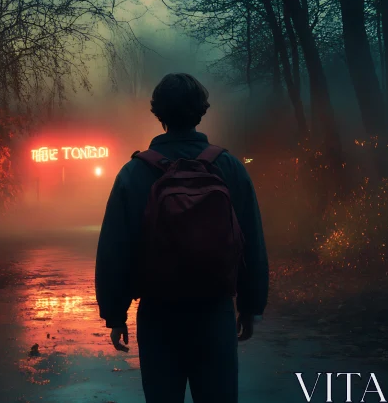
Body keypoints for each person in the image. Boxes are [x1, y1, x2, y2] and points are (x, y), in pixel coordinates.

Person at [95, 73, 269, 403]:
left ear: (158, 113)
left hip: (159, 316)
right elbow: (252, 242)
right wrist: (250, 307)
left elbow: (114, 250)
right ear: (201, 111)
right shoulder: (228, 167)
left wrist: (115, 314)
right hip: (215, 312)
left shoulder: (134, 173)